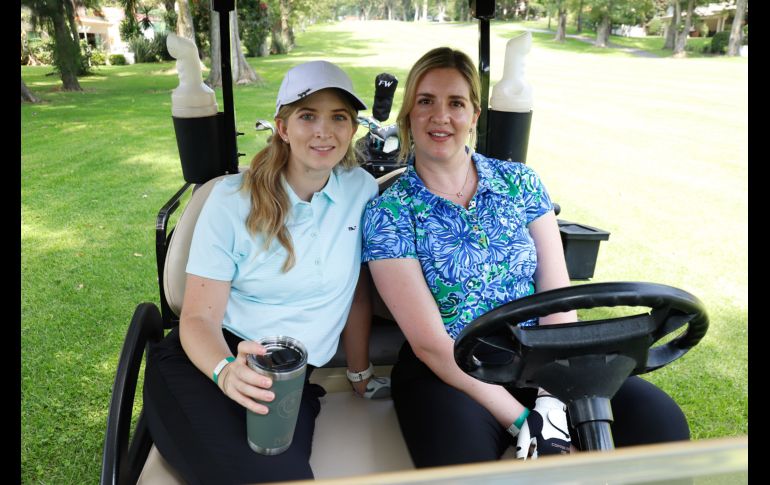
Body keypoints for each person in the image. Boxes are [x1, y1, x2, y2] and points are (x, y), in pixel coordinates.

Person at [362, 47, 690, 468]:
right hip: (452, 370)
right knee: (466, 471)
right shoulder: (389, 213)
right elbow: (430, 343)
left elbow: (557, 297)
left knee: (660, 422)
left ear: (474, 115)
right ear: (409, 114)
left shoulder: (520, 183)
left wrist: (551, 402)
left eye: (456, 103)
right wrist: (524, 421)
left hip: (544, 355)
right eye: (426, 101)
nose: (440, 116)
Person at [143, 60, 390, 485]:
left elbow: (356, 291)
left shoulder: (361, 191)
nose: (324, 131)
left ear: (353, 129)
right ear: (282, 127)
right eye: (307, 116)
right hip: (209, 360)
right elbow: (198, 318)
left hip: (288, 376)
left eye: (339, 117)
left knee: (282, 473)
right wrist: (226, 371)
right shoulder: (231, 201)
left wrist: (359, 372)